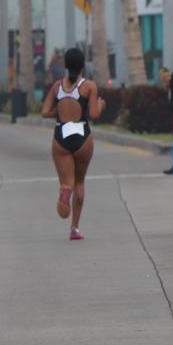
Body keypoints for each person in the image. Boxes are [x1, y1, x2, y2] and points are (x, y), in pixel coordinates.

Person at [42, 47, 100, 240]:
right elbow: (93, 114)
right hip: (82, 135)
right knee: (80, 182)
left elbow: (44, 111)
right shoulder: (89, 86)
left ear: (65, 66)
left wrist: (59, 111)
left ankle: (65, 190)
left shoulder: (57, 86)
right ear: (83, 65)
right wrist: (101, 105)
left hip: (61, 135)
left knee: (68, 182)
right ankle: (74, 228)